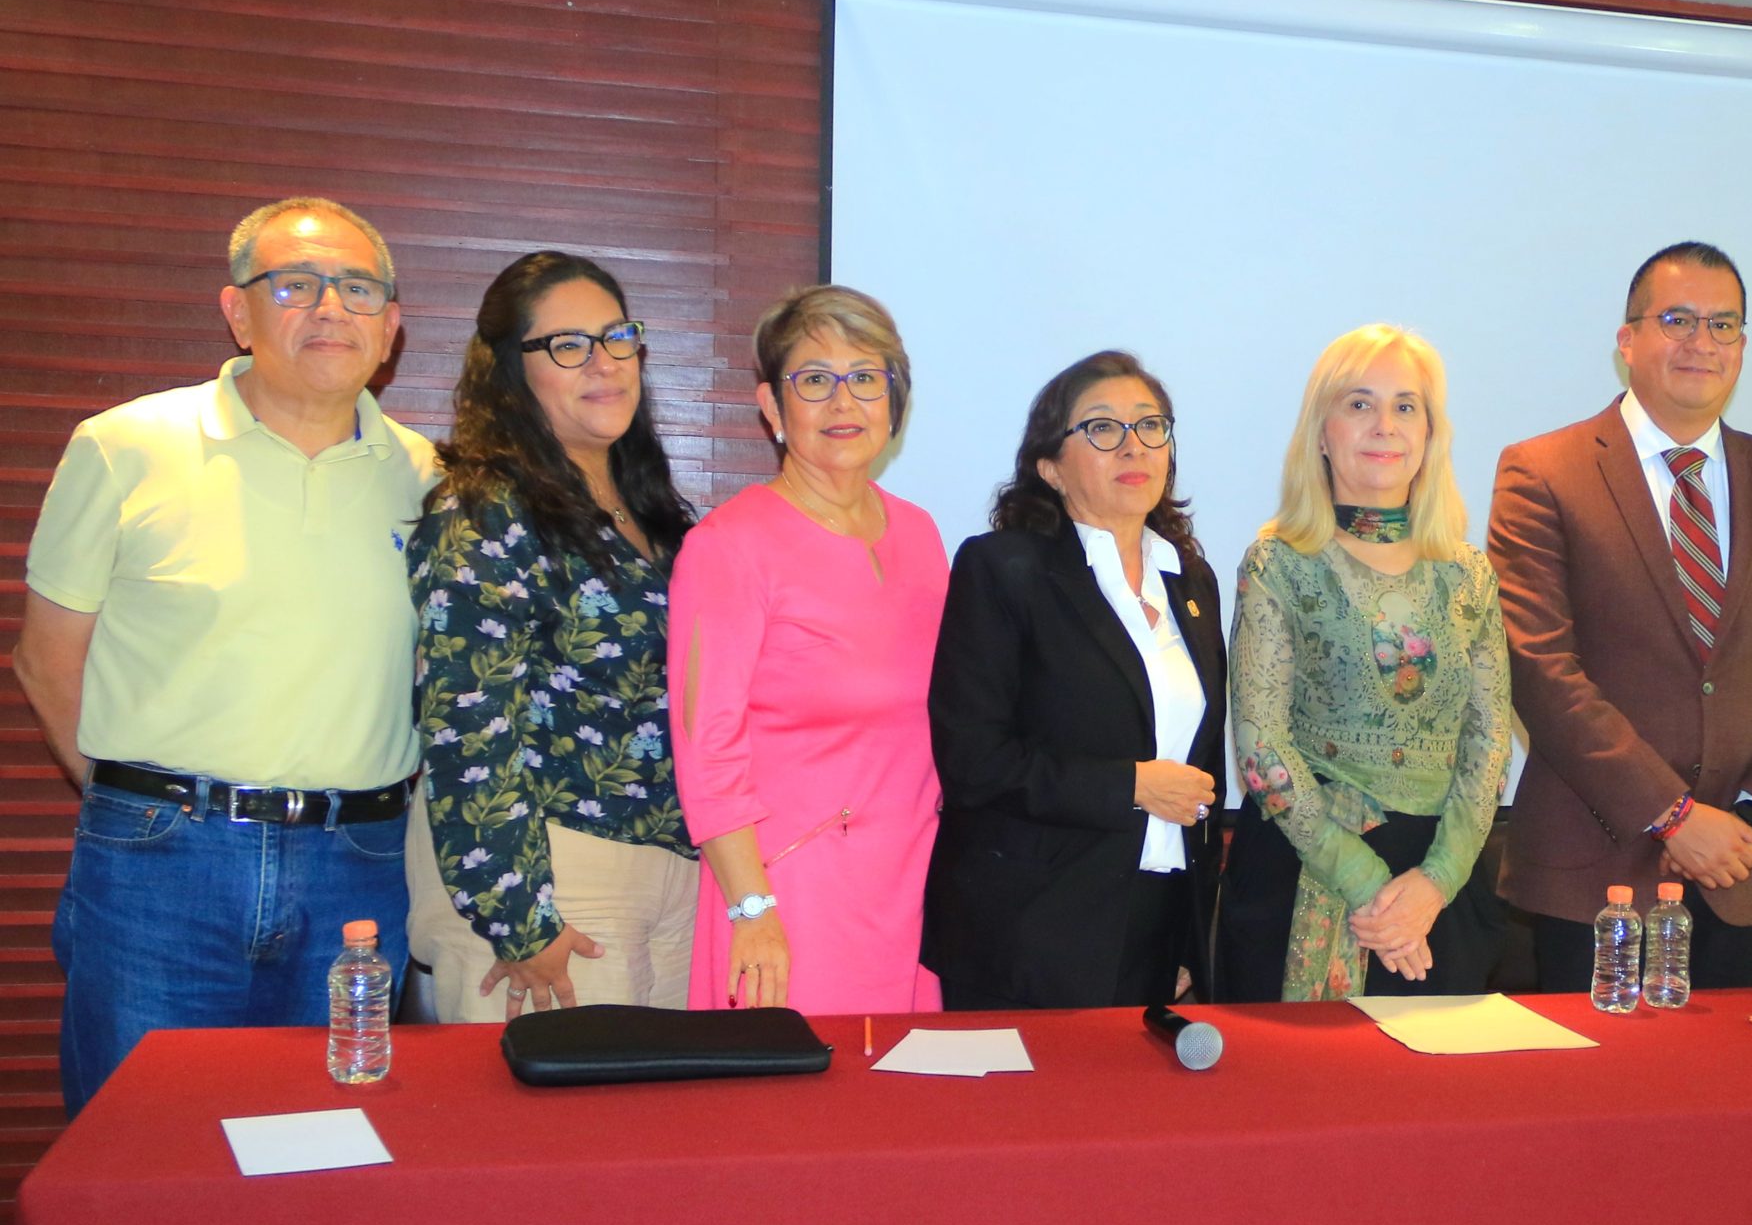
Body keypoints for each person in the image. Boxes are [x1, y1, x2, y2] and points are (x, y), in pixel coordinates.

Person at [16, 197, 437, 1114]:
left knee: (327, 1141)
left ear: (391, 327)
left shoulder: (430, 480)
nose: (330, 307)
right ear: (237, 311)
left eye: (358, 288)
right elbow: (46, 660)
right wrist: (148, 806)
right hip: (161, 863)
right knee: (140, 1140)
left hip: (357, 868)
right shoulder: (126, 446)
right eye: (295, 285)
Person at [1488, 242, 1752, 993]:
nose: (1702, 342)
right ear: (1627, 341)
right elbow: (1540, 669)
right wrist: (1674, 815)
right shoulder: (1543, 471)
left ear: (1743, 347)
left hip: (1746, 871)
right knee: (1595, 1073)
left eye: (1723, 324)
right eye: (1677, 319)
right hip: (1595, 873)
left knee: (1743, 1071)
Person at [407, 251, 698, 1021]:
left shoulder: (652, 513)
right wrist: (519, 915)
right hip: (548, 881)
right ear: (511, 370)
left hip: (672, 877)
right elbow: (467, 717)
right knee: (552, 1102)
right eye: (568, 344)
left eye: (617, 337)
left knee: (671, 1100)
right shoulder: (485, 510)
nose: (603, 362)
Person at [668, 285, 947, 1013]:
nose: (843, 402)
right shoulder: (729, 546)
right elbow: (706, 749)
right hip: (788, 893)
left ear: (894, 401)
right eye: (815, 380)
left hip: (915, 882)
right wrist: (752, 908)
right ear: (772, 406)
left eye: (866, 378)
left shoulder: (921, 534)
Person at [924, 352, 1225, 1008]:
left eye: (1150, 425)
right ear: (1050, 467)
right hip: (1030, 925)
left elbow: (1204, 769)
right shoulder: (1003, 569)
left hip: (1156, 917)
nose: (1133, 445)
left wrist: (1190, 934)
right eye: (1102, 428)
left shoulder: (1190, 580)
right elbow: (974, 761)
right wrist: (1132, 785)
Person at [1221, 326, 1511, 1000]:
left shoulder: (1468, 573)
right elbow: (1261, 744)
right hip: (1305, 873)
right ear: (1321, 434)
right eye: (1359, 404)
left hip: (1440, 893)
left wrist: (1433, 885)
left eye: (1406, 406)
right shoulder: (1278, 563)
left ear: (1430, 434)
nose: (1385, 425)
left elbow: (1491, 741)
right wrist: (1371, 889)